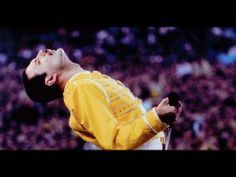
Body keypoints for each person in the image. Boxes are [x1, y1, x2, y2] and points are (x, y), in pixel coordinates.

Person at [22, 48, 182, 150]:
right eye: (37, 62)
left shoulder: (85, 82)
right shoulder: (80, 88)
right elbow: (115, 141)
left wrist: (163, 118)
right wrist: (156, 118)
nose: (40, 52)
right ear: (50, 79)